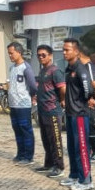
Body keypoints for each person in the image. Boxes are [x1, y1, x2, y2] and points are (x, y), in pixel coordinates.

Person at [60, 38, 94, 190]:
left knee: (82, 147)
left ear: (76, 51)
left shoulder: (81, 69)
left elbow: (89, 90)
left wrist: (81, 103)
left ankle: (86, 180)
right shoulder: (69, 68)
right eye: (63, 49)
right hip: (70, 113)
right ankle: (74, 175)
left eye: (67, 50)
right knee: (72, 147)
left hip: (79, 113)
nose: (64, 52)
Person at [34, 44, 66, 178]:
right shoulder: (42, 71)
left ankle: (59, 167)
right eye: (39, 55)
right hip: (42, 111)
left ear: (50, 56)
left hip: (52, 110)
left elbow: (62, 88)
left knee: (55, 140)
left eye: (44, 55)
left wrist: (62, 100)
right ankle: (48, 164)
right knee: (46, 139)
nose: (41, 57)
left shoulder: (55, 71)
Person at [5, 42, 38, 166]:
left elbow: (33, 86)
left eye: (11, 53)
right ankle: (20, 153)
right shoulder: (12, 68)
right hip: (13, 105)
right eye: (8, 53)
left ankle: (28, 157)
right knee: (17, 129)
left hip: (23, 105)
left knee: (26, 130)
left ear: (19, 52)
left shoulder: (26, 68)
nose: (10, 55)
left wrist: (31, 96)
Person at [79, 46, 95, 162]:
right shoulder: (81, 67)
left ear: (80, 54)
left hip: (89, 103)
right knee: (85, 128)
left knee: (90, 127)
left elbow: (94, 84)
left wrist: (92, 98)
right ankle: (88, 150)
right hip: (82, 103)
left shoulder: (89, 66)